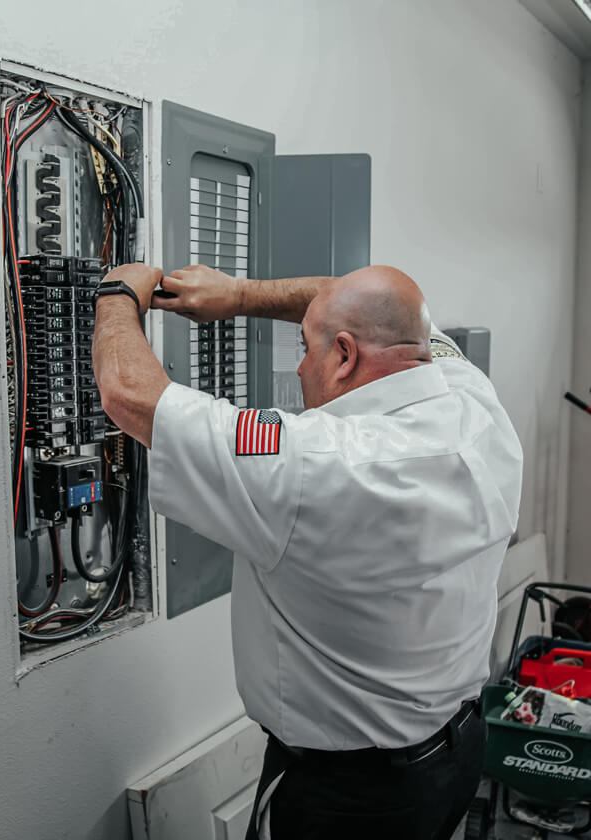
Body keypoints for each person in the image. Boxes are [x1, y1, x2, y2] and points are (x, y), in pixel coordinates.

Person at [92, 263, 523, 840]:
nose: (298, 366)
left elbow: (129, 394)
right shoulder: (476, 402)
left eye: (304, 348)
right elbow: (367, 306)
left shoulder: (312, 465)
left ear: (343, 357)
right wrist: (237, 295)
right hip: (457, 752)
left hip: (347, 799)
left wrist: (118, 293)